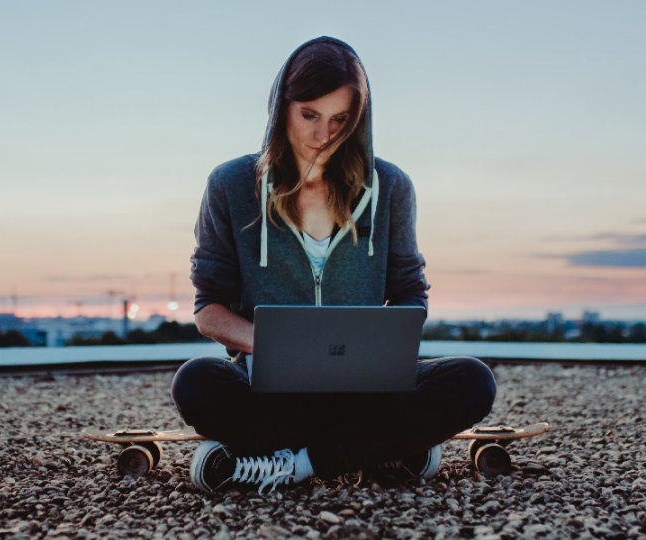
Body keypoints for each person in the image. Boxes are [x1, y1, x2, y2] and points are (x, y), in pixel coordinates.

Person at [171, 36, 496, 494]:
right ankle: (383, 446)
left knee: (472, 380)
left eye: (341, 119)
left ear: (358, 120)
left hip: (365, 389)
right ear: (281, 106)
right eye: (310, 115)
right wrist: (279, 348)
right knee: (196, 383)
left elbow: (408, 292)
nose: (324, 136)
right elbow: (209, 310)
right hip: (270, 388)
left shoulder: (391, 188)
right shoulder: (230, 185)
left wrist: (376, 353)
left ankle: (294, 462)